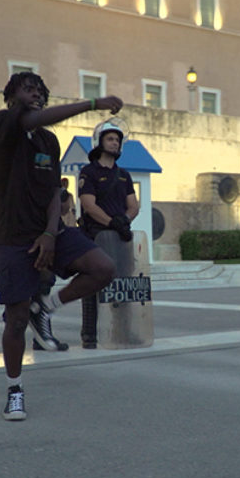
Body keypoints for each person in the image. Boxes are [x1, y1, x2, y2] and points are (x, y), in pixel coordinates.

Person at [0, 71, 119, 421]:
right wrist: (92, 103)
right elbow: (33, 117)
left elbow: (52, 194)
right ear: (11, 96)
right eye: (28, 89)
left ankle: (45, 307)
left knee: (103, 269)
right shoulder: (1, 125)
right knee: (15, 321)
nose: (37, 94)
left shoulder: (48, 141)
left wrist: (49, 233)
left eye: (41, 91)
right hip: (12, 237)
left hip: (50, 230)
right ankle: (14, 390)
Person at [0, 173, 69, 351]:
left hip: (40, 233)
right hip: (12, 238)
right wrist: (5, 216)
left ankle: (42, 336)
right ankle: (16, 343)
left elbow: (59, 203)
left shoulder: (44, 166)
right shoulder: (10, 164)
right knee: (16, 298)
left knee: (44, 284)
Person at [77, 119, 140, 348]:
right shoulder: (89, 172)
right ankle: (89, 335)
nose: (114, 143)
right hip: (96, 235)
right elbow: (89, 205)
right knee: (93, 284)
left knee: (124, 284)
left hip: (120, 236)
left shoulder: (124, 175)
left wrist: (125, 221)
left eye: (117, 140)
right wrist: (112, 222)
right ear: (99, 142)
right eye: (110, 139)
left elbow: (133, 205)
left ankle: (123, 331)